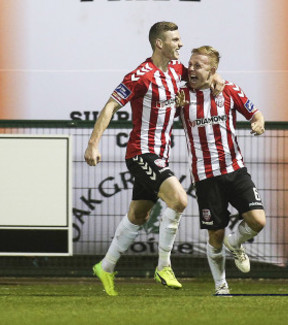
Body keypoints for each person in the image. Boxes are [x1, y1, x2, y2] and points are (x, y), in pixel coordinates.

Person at [84, 22, 222, 296]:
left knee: (139, 214)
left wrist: (218, 80)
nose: (180, 44)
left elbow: (201, 76)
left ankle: (106, 267)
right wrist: (93, 144)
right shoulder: (140, 76)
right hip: (141, 152)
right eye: (175, 39)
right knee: (180, 200)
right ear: (159, 43)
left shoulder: (176, 70)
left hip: (161, 154)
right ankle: (164, 266)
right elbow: (111, 104)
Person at [176, 45, 266, 296]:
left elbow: (256, 114)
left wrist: (258, 124)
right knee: (215, 233)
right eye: (190, 64)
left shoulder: (229, 90)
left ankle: (236, 243)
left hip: (235, 169)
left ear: (212, 70)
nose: (191, 69)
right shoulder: (181, 94)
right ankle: (221, 286)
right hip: (205, 176)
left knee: (258, 221)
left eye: (198, 65)